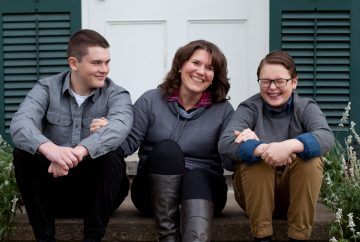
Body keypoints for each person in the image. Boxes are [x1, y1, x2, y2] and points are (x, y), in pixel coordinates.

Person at [10, 29, 133, 242]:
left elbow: (121, 126)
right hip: (53, 191)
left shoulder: (117, 94)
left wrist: (75, 153)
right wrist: (52, 150)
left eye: (107, 62)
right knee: (23, 155)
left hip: (96, 196)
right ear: (74, 63)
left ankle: (93, 238)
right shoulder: (47, 88)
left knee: (113, 157)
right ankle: (45, 238)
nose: (105, 69)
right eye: (97, 63)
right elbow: (21, 123)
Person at [111, 39, 233, 242]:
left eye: (209, 68)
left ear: (214, 76)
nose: (201, 71)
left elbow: (230, 161)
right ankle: (168, 237)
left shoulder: (223, 111)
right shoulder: (150, 100)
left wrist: (245, 143)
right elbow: (126, 144)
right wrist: (108, 130)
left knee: (195, 176)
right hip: (152, 194)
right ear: (180, 65)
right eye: (196, 63)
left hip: (203, 194)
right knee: (168, 150)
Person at [218, 50, 335, 242]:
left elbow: (326, 137)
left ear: (294, 82)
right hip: (255, 197)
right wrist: (263, 149)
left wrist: (291, 145)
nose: (272, 87)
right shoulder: (249, 108)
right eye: (265, 81)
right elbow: (225, 143)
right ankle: (262, 236)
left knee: (310, 159)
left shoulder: (306, 107)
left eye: (280, 81)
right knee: (255, 160)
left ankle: (298, 236)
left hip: (294, 196)